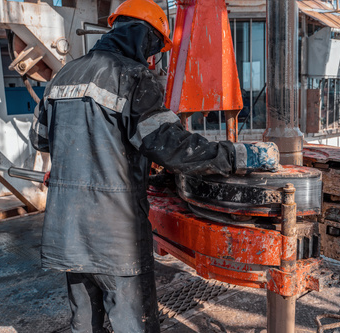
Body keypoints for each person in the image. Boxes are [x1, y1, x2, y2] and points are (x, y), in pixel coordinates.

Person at [28, 0, 279, 332]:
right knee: (134, 323)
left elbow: (41, 139)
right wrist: (239, 155)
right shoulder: (132, 77)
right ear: (144, 37)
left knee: (85, 323)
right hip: (116, 236)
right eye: (155, 50)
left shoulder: (63, 76)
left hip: (67, 232)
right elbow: (172, 148)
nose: (153, 60)